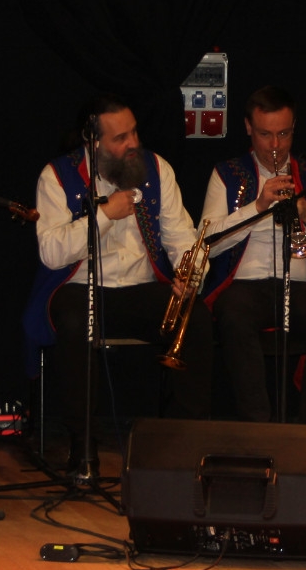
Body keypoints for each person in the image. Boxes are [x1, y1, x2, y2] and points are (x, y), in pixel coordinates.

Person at [26, 93, 211, 465]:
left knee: (197, 317)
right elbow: (51, 252)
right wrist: (105, 215)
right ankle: (83, 445)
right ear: (93, 142)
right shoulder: (57, 176)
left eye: (134, 133)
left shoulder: (157, 169)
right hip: (80, 288)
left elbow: (182, 238)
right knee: (74, 320)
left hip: (141, 287)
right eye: (120, 138)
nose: (132, 144)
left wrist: (190, 275)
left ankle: (181, 440)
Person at [200, 86, 306, 423]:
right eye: (265, 134)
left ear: (294, 128)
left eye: (283, 134)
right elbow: (206, 242)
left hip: (300, 285)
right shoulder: (226, 174)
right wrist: (257, 207)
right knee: (234, 316)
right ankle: (258, 427)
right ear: (248, 128)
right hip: (245, 286)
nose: (275, 145)